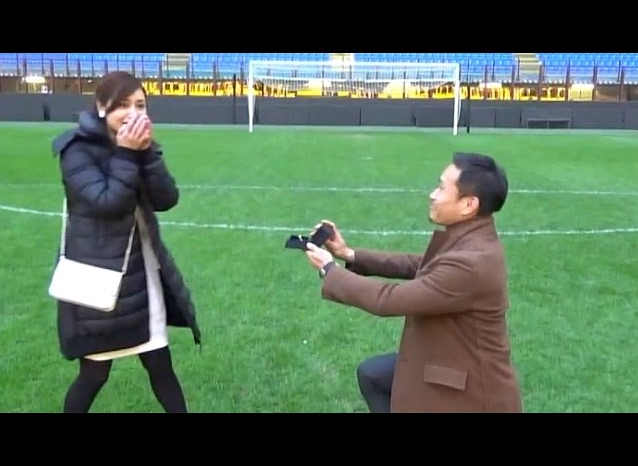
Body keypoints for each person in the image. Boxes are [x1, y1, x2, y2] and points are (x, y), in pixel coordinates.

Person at [304, 152, 523, 413]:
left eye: (441, 188)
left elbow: (389, 300)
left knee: (377, 377)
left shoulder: (473, 262)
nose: (433, 195)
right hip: (448, 363)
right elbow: (418, 264)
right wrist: (348, 254)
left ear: (468, 205)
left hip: (472, 392)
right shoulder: (471, 240)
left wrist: (330, 270)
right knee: (373, 375)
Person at [50, 71, 201, 413]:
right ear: (101, 106)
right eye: (122, 105)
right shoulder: (76, 150)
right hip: (99, 277)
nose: (133, 113)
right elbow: (108, 203)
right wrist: (128, 154)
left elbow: (166, 198)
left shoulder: (139, 145)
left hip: (142, 273)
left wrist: (147, 154)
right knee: (94, 374)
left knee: (160, 365)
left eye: (140, 105)